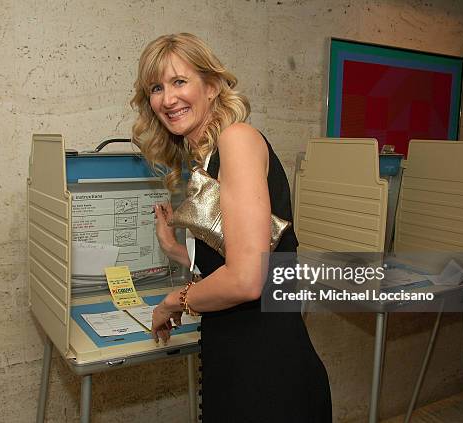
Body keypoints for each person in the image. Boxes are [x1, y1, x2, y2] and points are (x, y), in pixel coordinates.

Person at [131, 33, 331, 422]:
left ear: (212, 86)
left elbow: (246, 279)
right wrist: (178, 250)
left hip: (268, 373)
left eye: (179, 81)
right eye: (156, 87)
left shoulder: (237, 140)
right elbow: (240, 252)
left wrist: (173, 301)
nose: (167, 99)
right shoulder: (206, 159)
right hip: (238, 357)